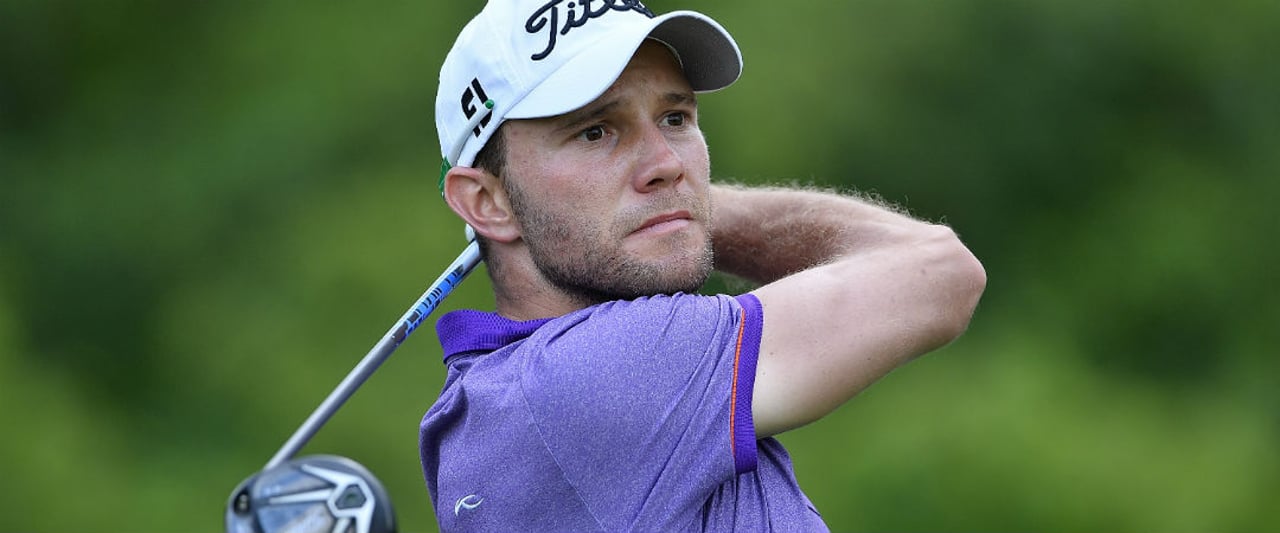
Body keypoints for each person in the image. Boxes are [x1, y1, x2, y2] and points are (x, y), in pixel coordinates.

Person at [421, 1, 986, 531]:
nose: (667, 164)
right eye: (595, 132)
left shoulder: (494, 405)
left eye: (674, 118)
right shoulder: (593, 378)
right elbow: (938, 271)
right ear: (486, 202)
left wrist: (664, 210)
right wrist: (680, 210)